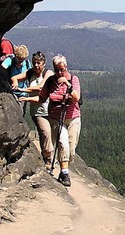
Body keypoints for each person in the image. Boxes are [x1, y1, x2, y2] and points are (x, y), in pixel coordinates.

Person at [39, 54, 81, 186]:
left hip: (73, 117)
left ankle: (64, 170)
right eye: (57, 70)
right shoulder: (50, 81)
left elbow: (76, 97)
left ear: (66, 67)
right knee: (63, 143)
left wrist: (67, 83)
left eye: (62, 69)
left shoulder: (74, 79)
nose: (59, 72)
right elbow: (42, 98)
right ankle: (65, 173)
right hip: (56, 118)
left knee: (71, 148)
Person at [17, 51, 55, 170]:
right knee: (45, 132)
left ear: (44, 63)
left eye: (39, 63)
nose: (36, 65)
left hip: (51, 109)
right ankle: (47, 160)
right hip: (37, 111)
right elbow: (15, 77)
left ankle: (51, 158)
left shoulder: (48, 73)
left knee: (51, 135)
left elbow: (41, 87)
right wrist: (14, 82)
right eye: (34, 63)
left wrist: (24, 90)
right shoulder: (30, 73)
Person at [2, 45, 32, 114]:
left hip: (23, 93)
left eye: (23, 60)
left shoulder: (27, 63)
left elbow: (30, 75)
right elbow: (2, 68)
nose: (21, 62)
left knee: (21, 113)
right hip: (11, 92)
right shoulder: (10, 61)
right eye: (19, 59)